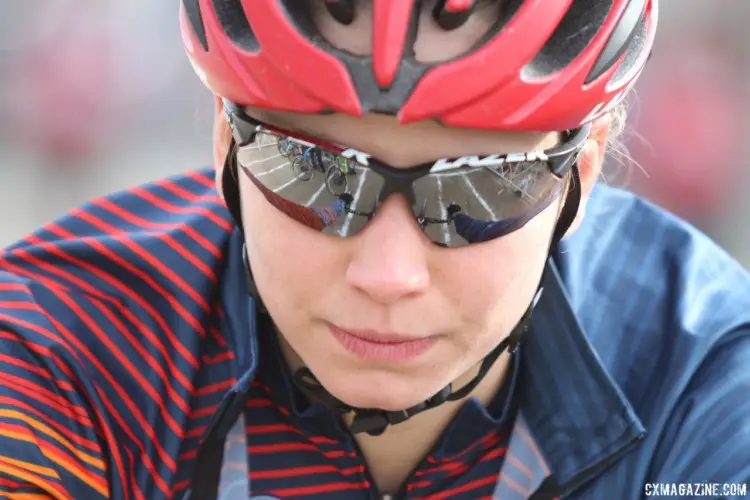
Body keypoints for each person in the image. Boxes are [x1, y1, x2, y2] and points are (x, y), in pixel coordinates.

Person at [0, 1, 749, 500]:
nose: (387, 275)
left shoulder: (712, 387)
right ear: (227, 145)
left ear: (579, 178)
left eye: (481, 191)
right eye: (313, 170)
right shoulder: (59, 346)